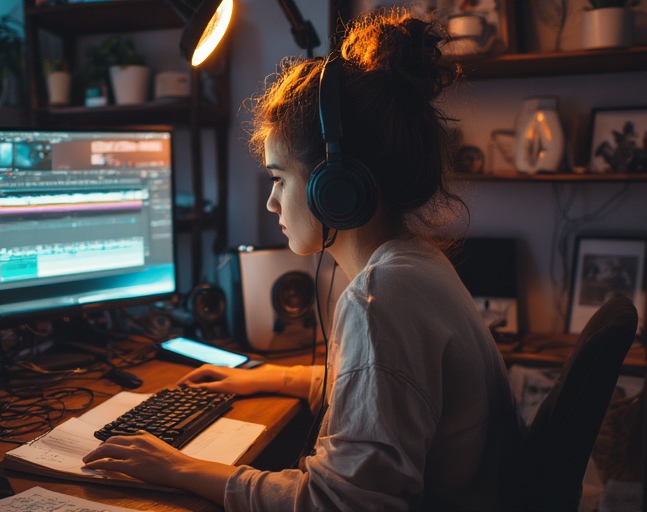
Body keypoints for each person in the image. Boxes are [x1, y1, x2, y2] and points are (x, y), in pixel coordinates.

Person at [83, 7, 523, 510]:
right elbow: (382, 392)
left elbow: (338, 503)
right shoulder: (414, 266)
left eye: (278, 179)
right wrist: (271, 377)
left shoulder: (382, 300)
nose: (271, 203)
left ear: (333, 188)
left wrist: (179, 468)